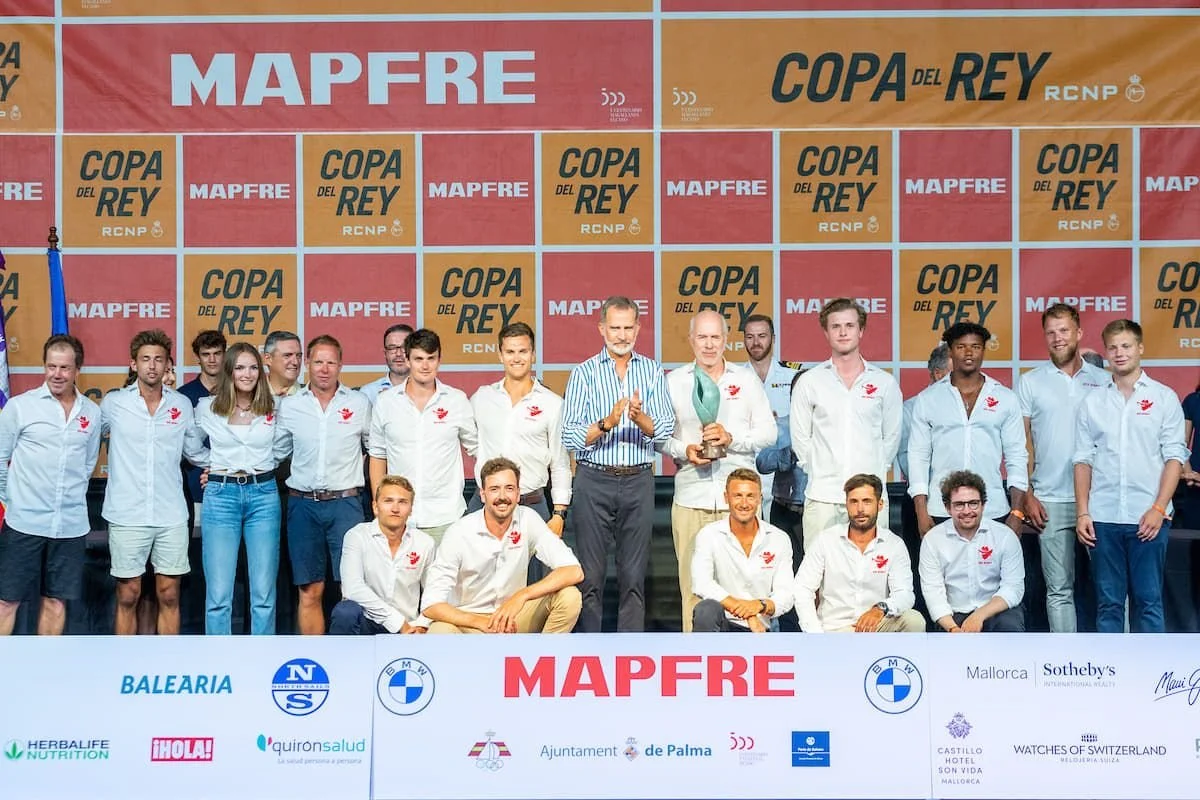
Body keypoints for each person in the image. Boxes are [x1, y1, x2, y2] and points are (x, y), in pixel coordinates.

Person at [561, 296, 674, 633]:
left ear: (638, 329)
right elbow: (570, 436)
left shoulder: (652, 370)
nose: (622, 335)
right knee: (590, 577)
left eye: (628, 328)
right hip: (594, 480)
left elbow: (666, 429)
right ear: (601, 329)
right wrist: (607, 423)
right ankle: (589, 652)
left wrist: (641, 420)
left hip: (639, 479)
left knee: (634, 577)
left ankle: (630, 653)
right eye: (615, 328)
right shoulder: (583, 373)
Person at [661, 310, 774, 631]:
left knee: (747, 589)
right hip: (690, 500)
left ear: (726, 340)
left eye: (715, 337)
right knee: (694, 593)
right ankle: (695, 666)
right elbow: (659, 439)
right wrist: (685, 450)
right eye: (702, 337)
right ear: (690, 340)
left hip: (738, 504)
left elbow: (769, 434)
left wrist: (732, 439)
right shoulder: (674, 382)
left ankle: (752, 663)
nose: (709, 345)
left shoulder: (746, 381)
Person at [1074, 319, 1188, 633]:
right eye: (1113, 347)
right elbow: (1082, 461)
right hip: (1104, 517)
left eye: (1126, 346)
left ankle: (1152, 678)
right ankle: (1112, 678)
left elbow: (1175, 457)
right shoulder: (1093, 402)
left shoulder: (1164, 398)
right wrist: (1083, 511)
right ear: (1106, 353)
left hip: (1148, 516)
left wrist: (1159, 508)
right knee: (1108, 603)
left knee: (1148, 600)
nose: (1119, 353)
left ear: (1140, 348)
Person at [101, 330, 207, 635]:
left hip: (170, 514)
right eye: (145, 359)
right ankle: (125, 666)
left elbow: (195, 451)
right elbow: (86, 441)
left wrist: (221, 466)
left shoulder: (181, 405)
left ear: (167, 365)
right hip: (126, 514)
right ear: (133, 364)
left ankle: (166, 663)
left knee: (169, 594)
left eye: (158, 360)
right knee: (128, 594)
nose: (152, 366)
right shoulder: (114, 403)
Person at [0, 335, 102, 636]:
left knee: (56, 602)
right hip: (24, 523)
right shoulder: (20, 407)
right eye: (51, 366)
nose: (57, 374)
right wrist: (14, 501)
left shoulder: (91, 413)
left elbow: (87, 464)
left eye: (64, 368)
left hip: (70, 526)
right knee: (7, 601)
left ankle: (44, 675)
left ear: (77, 370)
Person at [1016, 304, 1108, 633]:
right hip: (1049, 499)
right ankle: (1065, 664)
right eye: (1051, 332)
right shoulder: (1030, 382)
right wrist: (1027, 494)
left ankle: (1121, 661)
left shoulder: (1104, 380)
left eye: (1064, 330)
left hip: (1100, 500)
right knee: (1059, 591)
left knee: (1110, 591)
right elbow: (1020, 444)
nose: (1058, 338)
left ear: (1079, 333)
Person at [791, 298, 902, 554]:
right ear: (826, 332)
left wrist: (870, 477)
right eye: (836, 326)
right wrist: (821, 471)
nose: (843, 332)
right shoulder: (809, 382)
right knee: (819, 579)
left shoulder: (885, 383)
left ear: (861, 331)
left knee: (873, 575)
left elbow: (891, 440)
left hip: (871, 499)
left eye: (850, 325)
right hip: (823, 498)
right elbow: (801, 441)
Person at [422, 458, 583, 634]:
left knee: (569, 597)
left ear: (518, 493)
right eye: (494, 489)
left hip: (513, 618)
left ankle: (541, 657)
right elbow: (430, 604)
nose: (502, 497)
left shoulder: (528, 518)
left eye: (509, 488)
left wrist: (522, 595)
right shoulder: (459, 532)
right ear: (482, 495)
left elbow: (573, 570)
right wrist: (479, 622)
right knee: (439, 630)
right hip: (470, 622)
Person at [194, 342, 290, 635]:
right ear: (229, 371)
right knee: (219, 594)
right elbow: (189, 443)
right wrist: (215, 464)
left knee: (263, 593)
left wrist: (257, 463)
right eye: (239, 367)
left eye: (252, 367)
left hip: (263, 494)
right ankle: (220, 661)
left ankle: (261, 660)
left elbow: (283, 445)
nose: (246, 374)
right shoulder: (206, 408)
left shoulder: (274, 407)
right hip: (221, 496)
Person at [276, 335, 369, 635]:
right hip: (303, 505)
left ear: (341, 365)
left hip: (346, 506)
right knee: (310, 591)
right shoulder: (289, 406)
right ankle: (315, 663)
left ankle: (352, 664)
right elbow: (272, 453)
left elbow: (375, 450)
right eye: (318, 361)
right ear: (307, 364)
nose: (324, 369)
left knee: (352, 591)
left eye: (331, 362)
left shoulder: (359, 403)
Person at [470, 322, 571, 586]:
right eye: (511, 352)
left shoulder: (552, 404)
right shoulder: (481, 398)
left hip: (532, 504)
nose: (517, 358)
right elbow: (471, 442)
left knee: (533, 588)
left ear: (533, 355)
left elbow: (560, 463)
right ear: (500, 354)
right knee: (478, 584)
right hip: (485, 505)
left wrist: (559, 514)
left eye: (523, 351)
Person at [908, 321, 1027, 536]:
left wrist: (1017, 512)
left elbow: (1017, 456)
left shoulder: (1005, 398)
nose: (969, 352)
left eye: (976, 346)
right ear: (951, 351)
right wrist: (921, 512)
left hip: (992, 509)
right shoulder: (928, 399)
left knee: (992, 570)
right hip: (940, 509)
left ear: (983, 350)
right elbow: (918, 457)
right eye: (961, 347)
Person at [368, 328, 477, 545]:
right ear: (407, 360)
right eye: (418, 359)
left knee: (444, 580)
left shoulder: (456, 400)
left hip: (446, 517)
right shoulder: (386, 402)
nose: (425, 366)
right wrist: (381, 506)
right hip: (398, 517)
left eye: (431, 358)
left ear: (439, 360)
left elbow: (477, 449)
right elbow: (378, 456)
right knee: (398, 580)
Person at [794, 474, 925, 633]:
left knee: (914, 620)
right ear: (847, 505)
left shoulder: (894, 544)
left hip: (877, 625)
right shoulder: (825, 540)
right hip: (834, 629)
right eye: (854, 502)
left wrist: (880, 608)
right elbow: (803, 588)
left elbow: (905, 594)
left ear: (880, 504)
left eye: (867, 501)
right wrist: (814, 633)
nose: (860, 509)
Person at [919, 470, 1026, 633]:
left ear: (983, 505)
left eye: (973, 503)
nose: (967, 511)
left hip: (995, 610)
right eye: (959, 504)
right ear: (948, 508)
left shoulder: (1005, 536)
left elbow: (1013, 588)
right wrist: (953, 628)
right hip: (952, 615)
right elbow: (933, 593)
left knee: (1009, 626)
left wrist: (979, 616)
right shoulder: (933, 540)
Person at [690, 469, 794, 633]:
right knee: (706, 610)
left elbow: (786, 594)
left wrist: (759, 606)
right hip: (723, 623)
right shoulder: (708, 535)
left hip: (760, 626)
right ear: (726, 498)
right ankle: (706, 656)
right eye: (738, 495)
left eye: (750, 496)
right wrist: (746, 613)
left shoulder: (779, 539)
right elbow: (701, 584)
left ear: (760, 499)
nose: (744, 504)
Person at [329, 475, 434, 635]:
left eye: (402, 502)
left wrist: (421, 624)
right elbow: (352, 589)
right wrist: (397, 622)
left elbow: (433, 591)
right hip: (366, 621)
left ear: (411, 509)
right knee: (345, 612)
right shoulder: (357, 536)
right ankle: (341, 660)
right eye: (388, 501)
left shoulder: (424, 542)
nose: (395, 508)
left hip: (409, 626)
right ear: (375, 507)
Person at [743, 314, 800, 515]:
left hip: (785, 479)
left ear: (773, 339)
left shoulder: (793, 375)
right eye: (750, 337)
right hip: (745, 468)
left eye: (762, 336)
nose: (756, 342)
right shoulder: (734, 379)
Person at [756, 371, 808, 574]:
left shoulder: (831, 428)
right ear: (792, 396)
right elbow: (762, 462)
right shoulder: (781, 426)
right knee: (785, 575)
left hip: (816, 511)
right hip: (784, 511)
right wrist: (787, 453)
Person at [178, 330, 227, 514]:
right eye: (206, 354)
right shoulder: (182, 396)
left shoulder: (238, 392)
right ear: (198, 358)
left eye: (217, 353)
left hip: (231, 487)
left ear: (225, 355)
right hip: (193, 489)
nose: (212, 359)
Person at [897, 343, 949, 482]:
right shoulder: (909, 410)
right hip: (928, 497)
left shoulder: (973, 407)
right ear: (939, 374)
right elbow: (909, 464)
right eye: (959, 372)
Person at [359, 324, 414, 406]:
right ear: (385, 353)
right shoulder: (368, 393)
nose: (398, 354)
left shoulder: (433, 391)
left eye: (405, 347)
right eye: (392, 348)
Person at [262, 330, 303, 398]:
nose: (295, 362)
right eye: (287, 355)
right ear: (268, 359)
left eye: (298, 356)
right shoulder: (251, 395)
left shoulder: (312, 397)